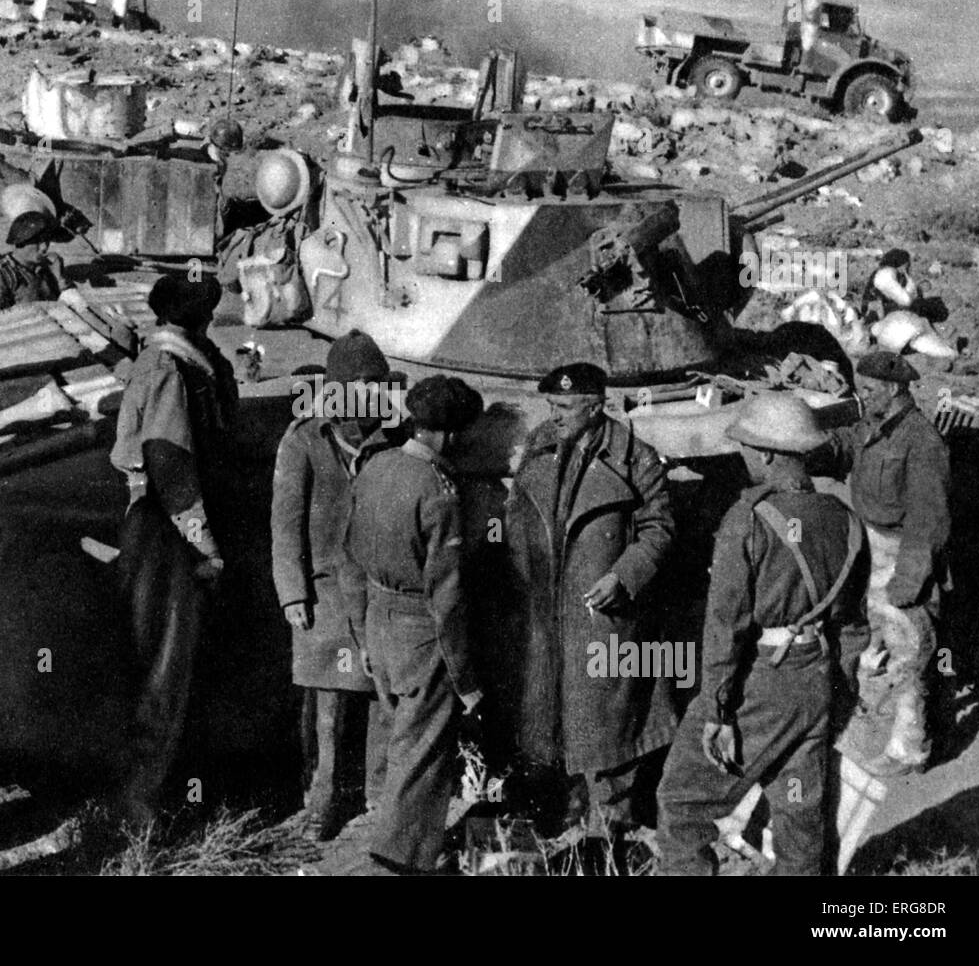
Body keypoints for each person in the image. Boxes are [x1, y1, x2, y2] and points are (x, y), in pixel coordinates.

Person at [657, 393, 869, 876]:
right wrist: (837, 691)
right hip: (814, 681)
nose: (743, 457)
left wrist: (716, 710)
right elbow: (853, 624)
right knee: (798, 814)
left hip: (761, 686)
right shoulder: (844, 519)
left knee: (682, 803)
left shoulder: (747, 520)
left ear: (768, 453)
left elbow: (725, 627)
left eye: (747, 449)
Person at [501, 362, 676, 835]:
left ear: (595, 408)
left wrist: (624, 575)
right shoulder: (541, 448)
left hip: (603, 619)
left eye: (563, 407)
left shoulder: (636, 458)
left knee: (608, 730)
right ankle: (566, 817)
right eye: (551, 406)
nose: (554, 415)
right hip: (546, 616)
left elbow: (659, 530)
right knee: (550, 722)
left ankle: (608, 832)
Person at [338, 374, 484, 873]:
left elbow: (349, 557)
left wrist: (361, 635)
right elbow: (448, 597)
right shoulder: (438, 490)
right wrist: (467, 681)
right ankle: (398, 860)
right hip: (421, 632)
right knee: (423, 749)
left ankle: (384, 834)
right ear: (446, 435)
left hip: (379, 620)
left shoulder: (375, 467)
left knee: (398, 732)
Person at [110, 271, 237, 825]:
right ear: (198, 316)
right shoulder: (168, 368)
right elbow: (169, 461)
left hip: (165, 525)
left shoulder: (180, 357)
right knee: (165, 664)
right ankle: (139, 803)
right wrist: (204, 544)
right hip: (166, 534)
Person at [270, 331, 403, 839]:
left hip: (376, 595)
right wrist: (293, 593)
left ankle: (377, 796)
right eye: (361, 387)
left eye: (378, 387)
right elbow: (285, 523)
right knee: (327, 707)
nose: (372, 398)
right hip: (323, 596)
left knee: (380, 700)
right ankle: (323, 802)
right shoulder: (303, 439)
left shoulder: (393, 440)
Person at [819, 351, 950, 775]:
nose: (863, 394)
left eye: (871, 388)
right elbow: (843, 447)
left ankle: (911, 748)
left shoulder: (922, 442)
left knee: (910, 652)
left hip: (902, 554)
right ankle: (876, 718)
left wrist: (909, 581)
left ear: (894, 390)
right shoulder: (872, 425)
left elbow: (929, 521)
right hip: (870, 548)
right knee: (873, 641)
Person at [0, 211, 69, 317]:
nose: (44, 248)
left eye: (46, 241)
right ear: (21, 241)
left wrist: (59, 278)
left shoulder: (46, 270)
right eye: (38, 242)